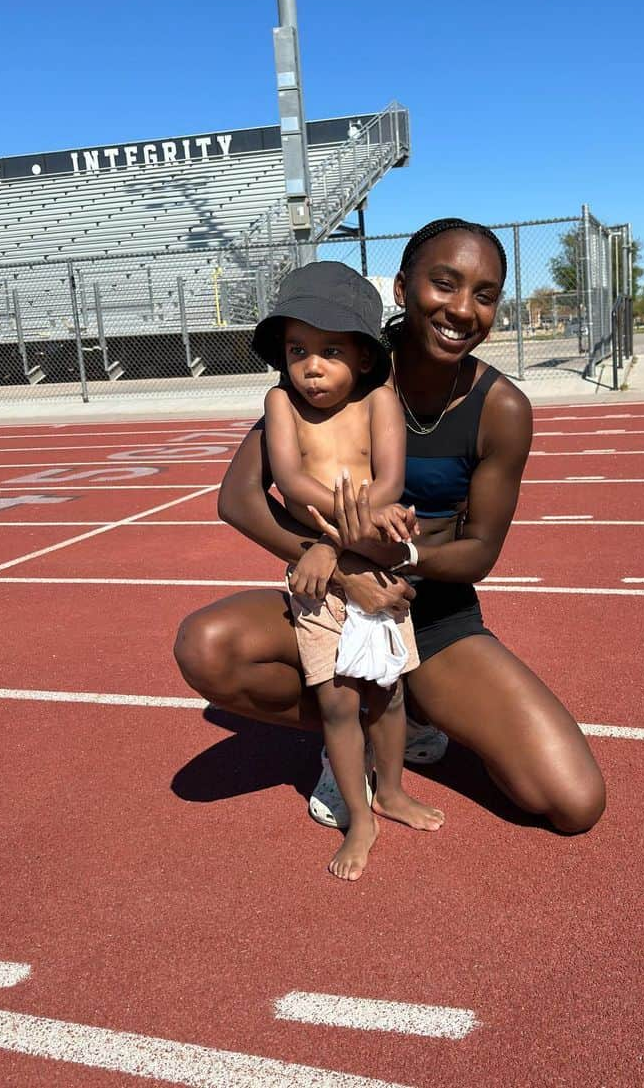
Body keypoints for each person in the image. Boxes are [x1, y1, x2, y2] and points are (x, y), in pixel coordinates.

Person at [174, 219, 606, 836]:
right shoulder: (338, 356)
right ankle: (349, 726)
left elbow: (479, 551)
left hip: (432, 618)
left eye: (484, 294)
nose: (462, 308)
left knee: (572, 800)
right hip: (332, 600)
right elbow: (239, 498)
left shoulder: (502, 409)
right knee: (206, 647)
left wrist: (394, 564)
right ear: (403, 289)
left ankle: (411, 713)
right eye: (444, 284)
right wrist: (345, 572)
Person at [254, 261, 444, 881]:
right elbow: (288, 480)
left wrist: (329, 548)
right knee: (337, 703)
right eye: (298, 350)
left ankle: (390, 790)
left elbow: (389, 481)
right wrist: (335, 539)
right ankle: (358, 814)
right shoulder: (279, 402)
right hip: (317, 584)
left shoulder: (380, 402)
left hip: (365, 566)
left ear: (363, 357)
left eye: (330, 351)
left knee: (387, 693)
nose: (311, 367)